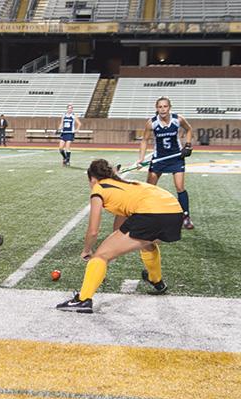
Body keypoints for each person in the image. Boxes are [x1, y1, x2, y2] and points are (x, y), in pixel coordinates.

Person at [56, 159, 183, 313]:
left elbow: (93, 230)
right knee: (146, 243)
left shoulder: (98, 189)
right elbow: (120, 226)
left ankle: (83, 300)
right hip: (175, 213)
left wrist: (87, 250)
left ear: (93, 179)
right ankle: (156, 281)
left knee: (100, 256)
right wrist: (114, 247)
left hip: (152, 214)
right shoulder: (126, 184)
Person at [138, 96, 194, 229]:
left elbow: (189, 129)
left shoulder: (177, 119)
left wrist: (187, 145)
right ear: (156, 108)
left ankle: (185, 217)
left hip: (176, 158)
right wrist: (141, 158)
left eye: (165, 106)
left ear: (170, 107)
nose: (163, 109)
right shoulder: (151, 123)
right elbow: (144, 140)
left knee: (180, 187)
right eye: (160, 107)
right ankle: (146, 215)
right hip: (159, 159)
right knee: (150, 188)